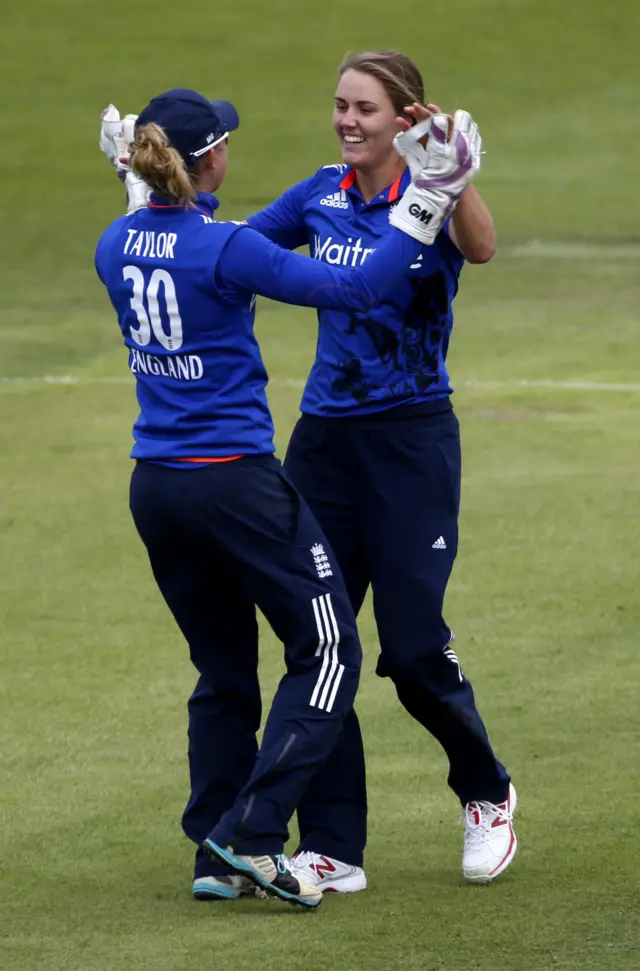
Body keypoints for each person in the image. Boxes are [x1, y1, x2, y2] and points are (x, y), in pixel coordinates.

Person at [95, 86, 476, 906]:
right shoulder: (226, 250)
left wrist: (141, 194)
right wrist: (433, 198)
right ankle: (254, 835)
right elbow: (359, 290)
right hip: (235, 483)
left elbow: (154, 238)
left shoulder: (113, 242)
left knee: (223, 669)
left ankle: (212, 846)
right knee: (329, 649)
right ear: (212, 158)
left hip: (154, 488)